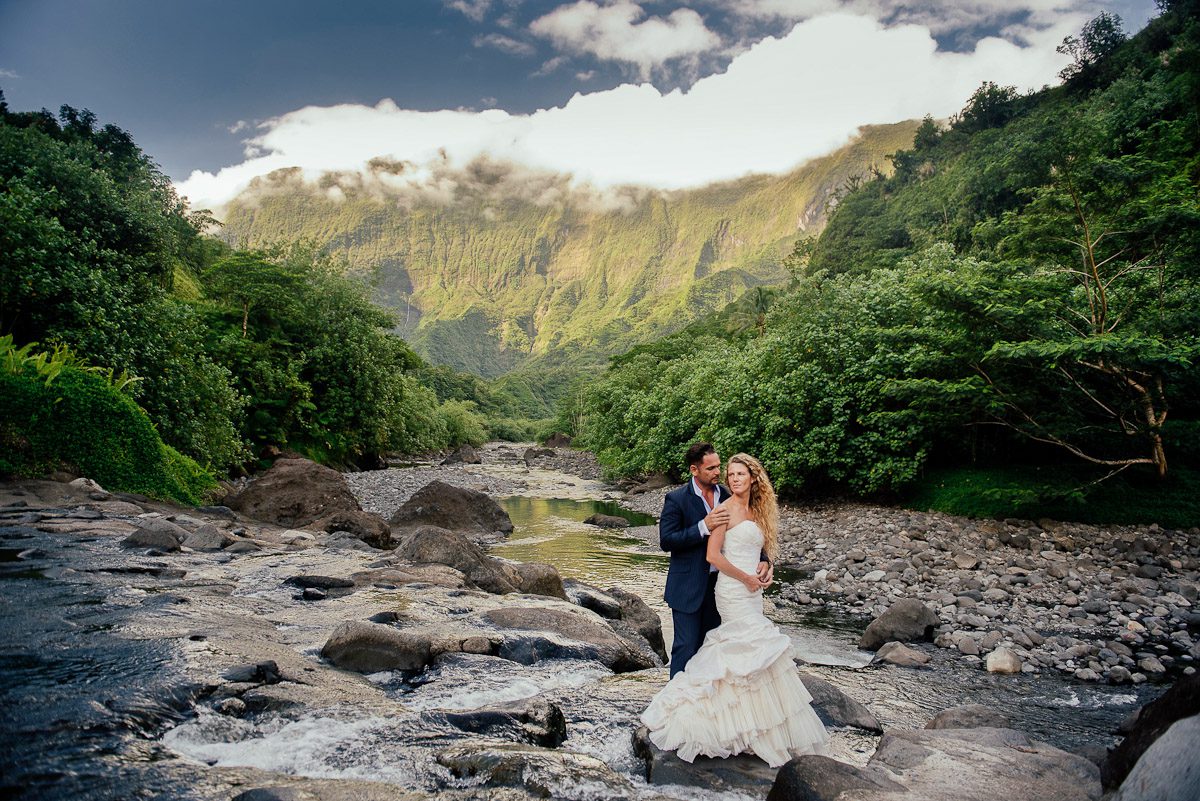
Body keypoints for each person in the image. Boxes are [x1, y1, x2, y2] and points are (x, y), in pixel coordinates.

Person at [642, 453, 829, 767]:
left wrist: (766, 565)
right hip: (718, 588)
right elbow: (696, 550)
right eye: (725, 472)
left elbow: (759, 546)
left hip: (747, 591)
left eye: (736, 473)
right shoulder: (703, 505)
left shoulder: (746, 505)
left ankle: (747, 726)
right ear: (696, 469)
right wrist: (741, 573)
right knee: (699, 648)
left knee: (740, 657)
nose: (728, 477)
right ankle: (686, 711)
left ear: (753, 478)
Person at [659, 443, 772, 677]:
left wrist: (764, 559)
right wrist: (703, 526)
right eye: (711, 468)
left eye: (719, 467)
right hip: (688, 586)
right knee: (686, 647)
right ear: (694, 470)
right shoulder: (677, 499)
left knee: (712, 649)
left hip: (722, 587)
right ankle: (677, 705)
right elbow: (667, 540)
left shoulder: (728, 494)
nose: (717, 473)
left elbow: (746, 532)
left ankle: (709, 705)